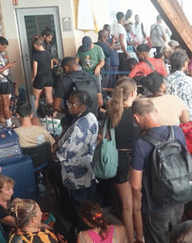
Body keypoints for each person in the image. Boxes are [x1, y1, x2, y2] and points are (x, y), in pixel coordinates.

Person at [129, 98, 187, 243]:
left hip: (155, 206)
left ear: (136, 118)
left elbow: (135, 185)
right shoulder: (177, 131)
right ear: (155, 112)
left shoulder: (140, 144)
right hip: (179, 198)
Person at [54, 90, 99, 229]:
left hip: (76, 174)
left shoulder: (80, 126)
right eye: (68, 102)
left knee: (80, 208)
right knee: (91, 205)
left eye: (72, 103)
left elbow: (64, 153)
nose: (68, 106)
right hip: (88, 169)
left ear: (82, 106)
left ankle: (84, 233)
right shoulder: (90, 116)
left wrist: (55, 151)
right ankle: (95, 230)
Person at [107, 77, 142, 243]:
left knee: (126, 207)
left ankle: (128, 239)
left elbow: (106, 137)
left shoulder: (112, 112)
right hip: (137, 161)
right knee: (137, 206)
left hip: (119, 161)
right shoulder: (138, 113)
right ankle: (140, 238)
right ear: (134, 93)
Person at [53, 57, 102, 129]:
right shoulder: (90, 78)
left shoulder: (63, 81)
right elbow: (100, 102)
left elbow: (56, 106)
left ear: (65, 68)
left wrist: (67, 111)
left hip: (73, 122)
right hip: (92, 120)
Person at [165, 50, 192, 121]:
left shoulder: (164, 81)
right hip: (191, 118)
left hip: (173, 118)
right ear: (184, 65)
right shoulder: (191, 81)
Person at [31, 35, 54, 109]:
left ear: (36, 45)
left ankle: (35, 115)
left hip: (40, 78)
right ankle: (52, 114)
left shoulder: (35, 55)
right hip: (49, 77)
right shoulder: (48, 53)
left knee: (35, 97)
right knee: (49, 97)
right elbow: (51, 67)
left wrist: (32, 78)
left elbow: (35, 71)